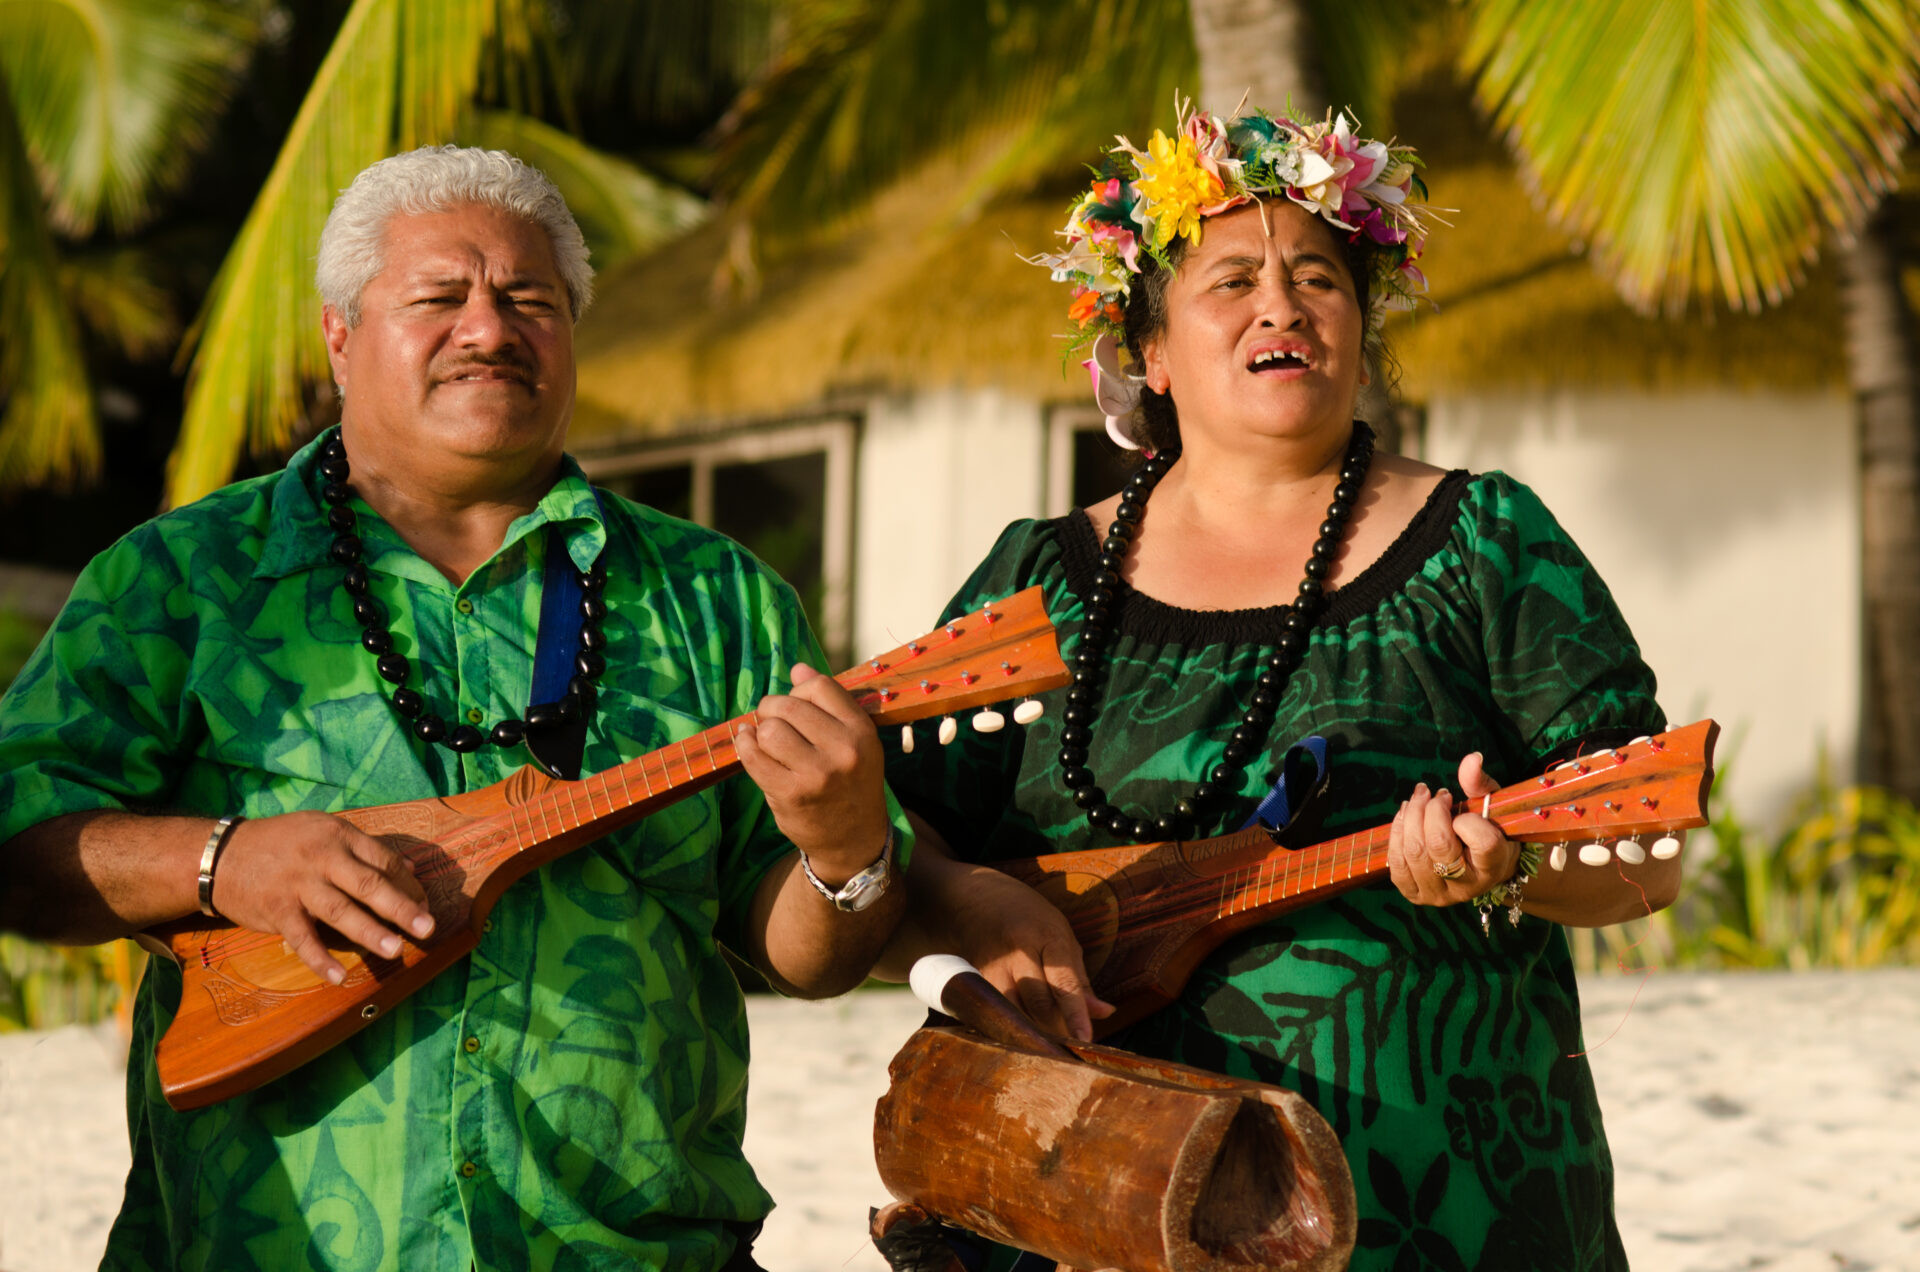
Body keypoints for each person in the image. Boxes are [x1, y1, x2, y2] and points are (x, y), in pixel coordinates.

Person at [0, 146, 910, 1271]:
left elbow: (806, 956)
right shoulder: (181, 583)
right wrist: (222, 862)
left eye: (530, 300)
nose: (489, 329)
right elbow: (20, 850)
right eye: (439, 298)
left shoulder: (715, 599)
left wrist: (844, 850)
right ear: (340, 337)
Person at [879, 101, 1681, 1271]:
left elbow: (1645, 851)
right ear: (1148, 350)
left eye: (1318, 275)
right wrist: (981, 909)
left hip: (1441, 1201)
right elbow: (894, 841)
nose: (1282, 302)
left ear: (1360, 328)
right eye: (1230, 280)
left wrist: (1512, 870)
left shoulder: (1486, 540)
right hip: (1095, 1193)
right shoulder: (1037, 579)